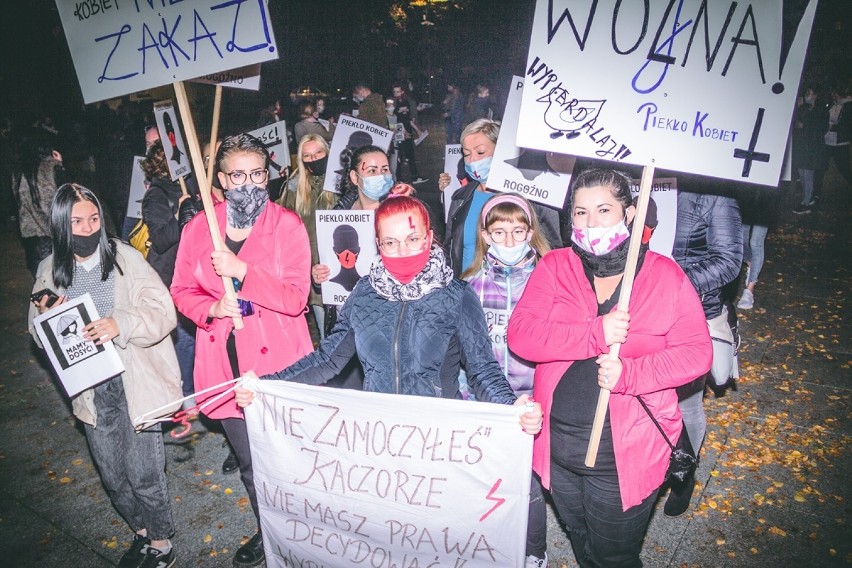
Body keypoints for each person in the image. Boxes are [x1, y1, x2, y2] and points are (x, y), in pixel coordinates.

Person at [507, 169, 712, 567]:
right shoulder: (555, 266)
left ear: (629, 213)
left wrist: (631, 375)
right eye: (580, 212)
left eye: (604, 210)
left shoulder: (664, 275)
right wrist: (594, 333)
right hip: (555, 445)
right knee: (580, 537)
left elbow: (696, 353)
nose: (590, 222)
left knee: (613, 555)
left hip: (624, 454)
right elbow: (522, 335)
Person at [233, 194, 543, 420]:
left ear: (430, 238)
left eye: (413, 239)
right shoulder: (364, 294)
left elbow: (481, 369)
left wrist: (510, 405)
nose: (403, 250)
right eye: (391, 242)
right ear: (378, 245)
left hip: (440, 429)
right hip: (380, 430)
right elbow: (327, 359)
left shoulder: (457, 295)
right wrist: (266, 384)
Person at [171, 133, 314, 567]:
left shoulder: (286, 224)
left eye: (257, 174)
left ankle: (309, 535)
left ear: (268, 175)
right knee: (252, 466)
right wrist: (211, 305)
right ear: (220, 180)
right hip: (225, 364)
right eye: (237, 175)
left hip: (278, 365)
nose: (248, 183)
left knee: (290, 464)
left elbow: (295, 298)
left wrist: (243, 272)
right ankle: (269, 531)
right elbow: (181, 289)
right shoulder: (200, 227)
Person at [28, 183, 182, 568]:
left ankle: (161, 542)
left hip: (135, 378)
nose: (87, 228)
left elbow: (164, 311)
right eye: (77, 221)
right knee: (112, 474)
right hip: (91, 387)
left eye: (94, 218)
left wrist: (120, 322)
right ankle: (141, 533)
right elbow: (36, 329)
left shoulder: (125, 258)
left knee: (145, 472)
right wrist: (49, 316)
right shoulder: (50, 269)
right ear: (62, 224)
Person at [461, 193, 551, 568]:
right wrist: (465, 394)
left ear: (531, 231)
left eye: (518, 231)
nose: (510, 242)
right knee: (488, 479)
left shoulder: (551, 280)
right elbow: (464, 349)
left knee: (528, 483)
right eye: (500, 232)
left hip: (536, 399)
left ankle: (534, 551)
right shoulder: (469, 285)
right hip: (486, 400)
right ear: (485, 234)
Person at [670, 183, 742, 516]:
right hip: (633, 308)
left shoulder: (714, 192)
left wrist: (668, 280)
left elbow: (728, 261)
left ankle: (684, 472)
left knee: (687, 401)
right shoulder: (630, 179)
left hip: (692, 310)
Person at [438, 118, 562, 277]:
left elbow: (553, 249)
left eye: (480, 152)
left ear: (501, 151)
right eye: (466, 154)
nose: (472, 160)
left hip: (516, 292)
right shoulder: (460, 198)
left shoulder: (529, 198)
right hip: (466, 291)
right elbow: (451, 249)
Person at [140, 141, 199, 409]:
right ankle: (186, 394)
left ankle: (198, 384)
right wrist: (179, 215)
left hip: (192, 270)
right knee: (185, 338)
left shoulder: (188, 185)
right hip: (170, 275)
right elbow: (161, 240)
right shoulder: (155, 195)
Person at [276, 134, 340, 339]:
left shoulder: (343, 182)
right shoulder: (294, 188)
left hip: (346, 267)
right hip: (314, 275)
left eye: (318, 153)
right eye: (308, 156)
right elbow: (282, 228)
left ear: (328, 152)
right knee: (328, 337)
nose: (314, 159)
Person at [13, 130, 65, 276]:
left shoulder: (18, 172)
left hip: (31, 238)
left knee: (42, 283)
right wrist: (60, 164)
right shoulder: (51, 167)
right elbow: (67, 197)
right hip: (53, 235)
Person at [793, 86, 829, 214]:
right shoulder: (804, 108)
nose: (807, 95)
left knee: (808, 174)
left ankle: (807, 202)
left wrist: (804, 125)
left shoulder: (822, 110)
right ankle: (807, 198)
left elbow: (820, 128)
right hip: (802, 146)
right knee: (801, 173)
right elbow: (797, 123)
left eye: (809, 93)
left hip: (813, 148)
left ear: (815, 95)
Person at [391, 83, 427, 185]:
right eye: (395, 92)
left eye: (398, 92)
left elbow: (407, 119)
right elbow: (394, 120)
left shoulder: (406, 102)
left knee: (410, 155)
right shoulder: (393, 104)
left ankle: (415, 177)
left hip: (407, 132)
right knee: (399, 157)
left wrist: (417, 130)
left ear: (402, 92)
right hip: (399, 133)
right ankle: (398, 179)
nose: (396, 94)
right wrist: (403, 131)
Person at [819, 83, 852, 191]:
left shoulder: (848, 106)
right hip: (828, 141)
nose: (832, 94)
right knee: (821, 166)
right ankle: (815, 193)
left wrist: (831, 127)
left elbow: (846, 125)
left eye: (834, 92)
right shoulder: (833, 104)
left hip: (840, 143)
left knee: (844, 168)